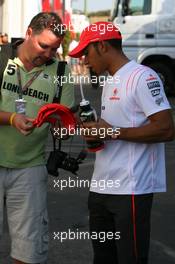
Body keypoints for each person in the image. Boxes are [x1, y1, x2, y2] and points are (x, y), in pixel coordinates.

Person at [69, 21, 174, 264]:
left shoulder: (142, 76)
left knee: (131, 259)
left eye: (86, 52)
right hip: (101, 188)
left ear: (102, 46)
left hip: (131, 190)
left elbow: (166, 128)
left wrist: (112, 132)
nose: (84, 60)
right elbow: (109, 132)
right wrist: (93, 133)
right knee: (103, 259)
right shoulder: (109, 82)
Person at [0, 12, 74, 264]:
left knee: (29, 249)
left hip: (30, 168)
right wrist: (12, 118)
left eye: (55, 49)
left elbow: (65, 120)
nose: (49, 54)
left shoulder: (62, 71)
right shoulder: (1, 58)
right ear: (29, 33)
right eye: (44, 46)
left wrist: (62, 127)